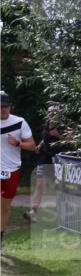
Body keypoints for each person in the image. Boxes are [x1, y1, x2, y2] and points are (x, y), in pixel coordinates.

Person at [1, 90, 37, 246]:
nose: (3, 109)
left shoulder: (19, 122)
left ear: (11, 107)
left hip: (11, 171)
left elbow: (32, 146)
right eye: (1, 106)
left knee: (4, 207)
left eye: (6, 106)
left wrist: (18, 143)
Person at [26, 106, 74, 221]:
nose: (52, 116)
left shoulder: (64, 127)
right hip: (45, 158)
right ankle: (33, 212)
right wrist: (41, 144)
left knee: (60, 186)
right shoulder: (46, 126)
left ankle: (64, 212)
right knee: (39, 185)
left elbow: (73, 143)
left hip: (59, 160)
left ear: (60, 114)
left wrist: (60, 137)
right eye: (50, 113)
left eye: (55, 113)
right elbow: (46, 138)